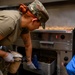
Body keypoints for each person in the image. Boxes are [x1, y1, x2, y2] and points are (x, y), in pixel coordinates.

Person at [0, 0, 49, 75]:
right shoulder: (10, 21)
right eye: (39, 25)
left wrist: (29, 62)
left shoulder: (24, 26)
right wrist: (4, 54)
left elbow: (28, 45)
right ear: (34, 20)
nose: (38, 27)